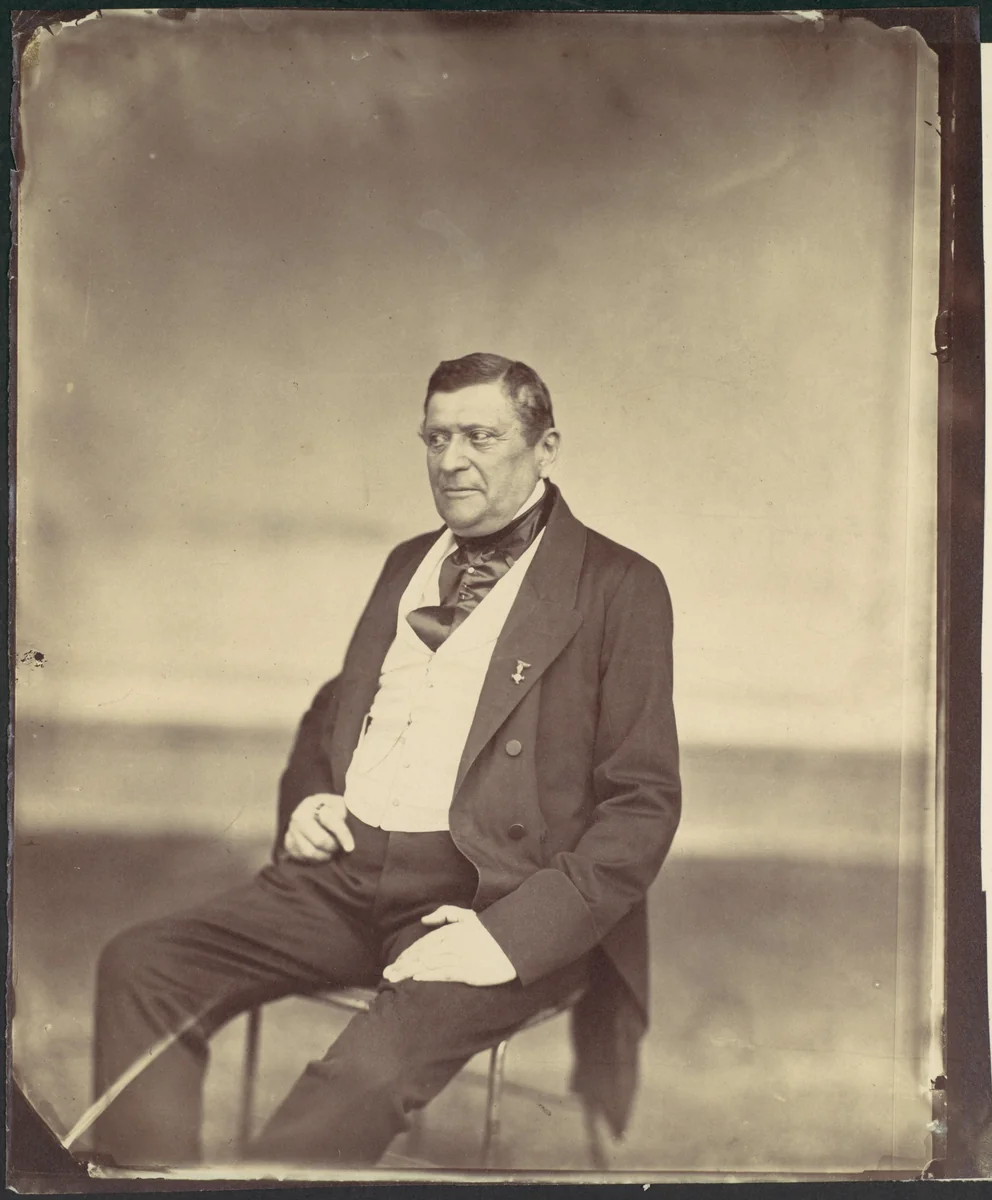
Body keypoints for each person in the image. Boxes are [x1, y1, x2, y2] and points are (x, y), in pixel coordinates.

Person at [92, 352, 681, 1167]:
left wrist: (509, 937)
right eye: (435, 438)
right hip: (343, 880)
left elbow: (641, 803)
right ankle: (145, 1187)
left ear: (546, 447)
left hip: (489, 900)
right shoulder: (407, 561)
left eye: (479, 435)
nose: (450, 460)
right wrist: (309, 799)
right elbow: (330, 713)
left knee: (358, 1078)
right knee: (142, 965)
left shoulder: (619, 586)